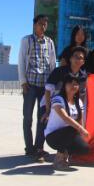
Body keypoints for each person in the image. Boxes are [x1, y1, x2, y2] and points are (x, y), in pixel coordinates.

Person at [18, 14, 57, 161]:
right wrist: (23, 82)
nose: (43, 26)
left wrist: (52, 85)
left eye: (45, 24)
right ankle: (29, 148)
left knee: (43, 118)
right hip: (30, 85)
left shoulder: (50, 42)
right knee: (27, 117)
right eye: (41, 23)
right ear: (35, 25)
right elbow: (21, 61)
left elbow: (52, 64)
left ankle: (39, 148)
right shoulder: (27, 40)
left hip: (44, 87)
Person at [43, 75, 89, 170]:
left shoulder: (78, 101)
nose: (73, 86)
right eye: (70, 83)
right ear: (64, 85)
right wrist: (81, 129)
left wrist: (81, 135)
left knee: (84, 148)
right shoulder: (58, 99)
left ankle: (66, 155)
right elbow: (65, 118)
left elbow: (80, 120)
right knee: (72, 129)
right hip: (53, 137)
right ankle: (58, 159)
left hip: (68, 134)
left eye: (76, 84)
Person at [44, 47, 88, 118]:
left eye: (80, 58)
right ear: (70, 59)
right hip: (52, 105)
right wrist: (47, 110)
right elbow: (48, 91)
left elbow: (81, 94)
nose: (77, 59)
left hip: (71, 108)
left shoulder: (83, 76)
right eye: (75, 56)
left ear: (83, 62)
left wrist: (79, 111)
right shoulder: (58, 71)